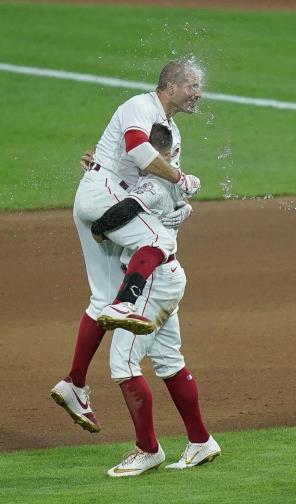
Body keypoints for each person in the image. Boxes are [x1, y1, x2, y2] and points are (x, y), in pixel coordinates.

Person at [51, 59, 203, 434]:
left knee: (101, 297)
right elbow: (138, 151)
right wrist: (182, 180)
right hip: (104, 195)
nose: (198, 93)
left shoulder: (171, 130)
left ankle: (74, 383)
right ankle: (127, 302)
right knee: (153, 241)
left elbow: (158, 177)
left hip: (107, 203)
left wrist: (179, 199)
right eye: (192, 86)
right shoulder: (140, 105)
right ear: (170, 85)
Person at [91, 123, 220, 477]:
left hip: (152, 281)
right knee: (168, 362)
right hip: (167, 279)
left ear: (155, 154)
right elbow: (173, 184)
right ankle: (200, 441)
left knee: (123, 363)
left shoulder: (153, 184)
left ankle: (148, 449)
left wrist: (98, 227)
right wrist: (96, 168)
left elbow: (121, 212)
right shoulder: (179, 178)